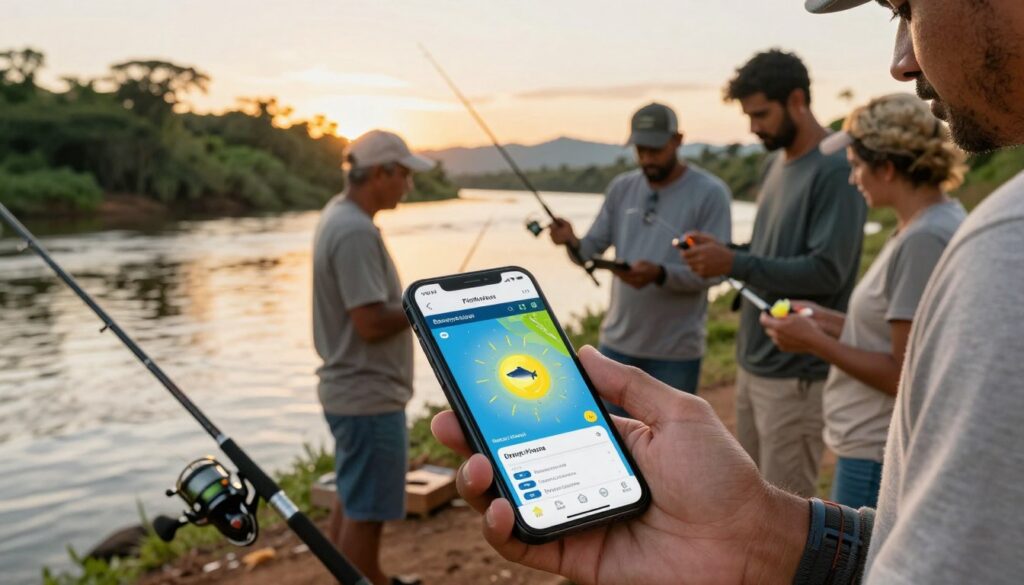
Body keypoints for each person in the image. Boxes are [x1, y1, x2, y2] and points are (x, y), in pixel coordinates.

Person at [432, 0, 1024, 583]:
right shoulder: (760, 171)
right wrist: (756, 536)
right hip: (716, 353)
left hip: (744, 360)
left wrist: (696, 268)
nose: (901, 59)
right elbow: (911, 544)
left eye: (906, 6)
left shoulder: (998, 240)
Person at [761, 93, 967, 508]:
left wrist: (812, 341)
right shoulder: (925, 225)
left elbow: (901, 373)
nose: (853, 179)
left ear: (887, 168)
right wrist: (827, 320)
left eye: (856, 166)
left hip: (875, 451)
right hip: (871, 444)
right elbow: (901, 335)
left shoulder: (923, 239)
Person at [681, 50, 867, 498]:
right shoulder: (773, 164)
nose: (753, 128)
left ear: (797, 100)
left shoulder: (836, 170)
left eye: (761, 114)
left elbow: (827, 272)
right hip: (754, 363)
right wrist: (725, 252)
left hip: (796, 374)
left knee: (789, 511)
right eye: (749, 116)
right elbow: (771, 253)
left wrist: (735, 263)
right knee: (750, 499)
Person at [548, 102, 732, 410]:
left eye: (655, 150)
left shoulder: (711, 193)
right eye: (641, 149)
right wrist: (570, 240)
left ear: (677, 140)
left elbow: (715, 274)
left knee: (667, 450)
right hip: (615, 347)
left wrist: (660, 275)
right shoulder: (621, 188)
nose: (647, 158)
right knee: (613, 444)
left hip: (676, 354)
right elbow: (588, 251)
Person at [312, 129, 432, 585]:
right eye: (403, 174)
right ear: (380, 173)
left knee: (353, 495)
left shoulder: (339, 217)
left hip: (353, 392)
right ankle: (368, 579)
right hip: (367, 394)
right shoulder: (354, 231)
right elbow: (369, 321)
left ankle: (364, 575)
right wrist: (420, 306)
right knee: (367, 510)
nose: (408, 185)